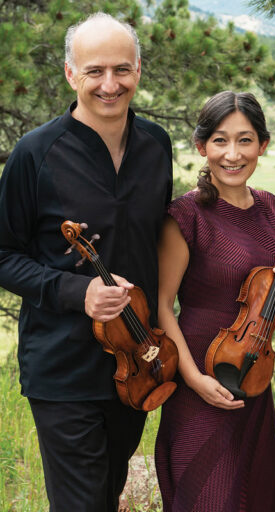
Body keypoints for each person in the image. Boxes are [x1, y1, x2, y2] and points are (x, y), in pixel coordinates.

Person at [0, 13, 171, 511]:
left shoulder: (156, 146)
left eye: (122, 69)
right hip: (62, 368)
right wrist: (79, 293)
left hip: (138, 363)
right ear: (71, 75)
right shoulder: (35, 153)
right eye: (95, 71)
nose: (110, 84)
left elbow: (159, 238)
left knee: (107, 493)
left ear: (138, 70)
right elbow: (4, 254)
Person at [154, 91, 275, 510]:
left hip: (252, 373)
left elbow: (269, 299)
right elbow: (163, 305)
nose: (232, 154)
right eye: (220, 140)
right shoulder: (185, 215)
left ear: (263, 145)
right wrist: (193, 378)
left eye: (245, 140)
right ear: (202, 147)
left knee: (257, 497)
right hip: (198, 376)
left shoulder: (273, 208)